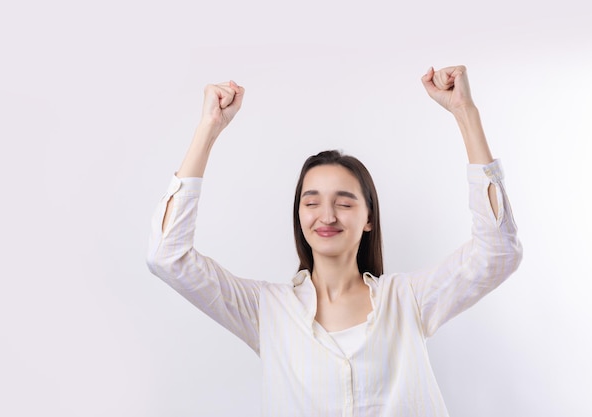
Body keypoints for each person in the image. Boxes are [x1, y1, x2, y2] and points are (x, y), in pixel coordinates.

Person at [146, 65, 522, 416]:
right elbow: (168, 257)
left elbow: (498, 253)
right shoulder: (266, 310)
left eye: (343, 203)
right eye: (312, 202)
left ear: (369, 218)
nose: (326, 216)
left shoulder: (408, 299)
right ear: (300, 215)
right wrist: (208, 129)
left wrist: (465, 114)